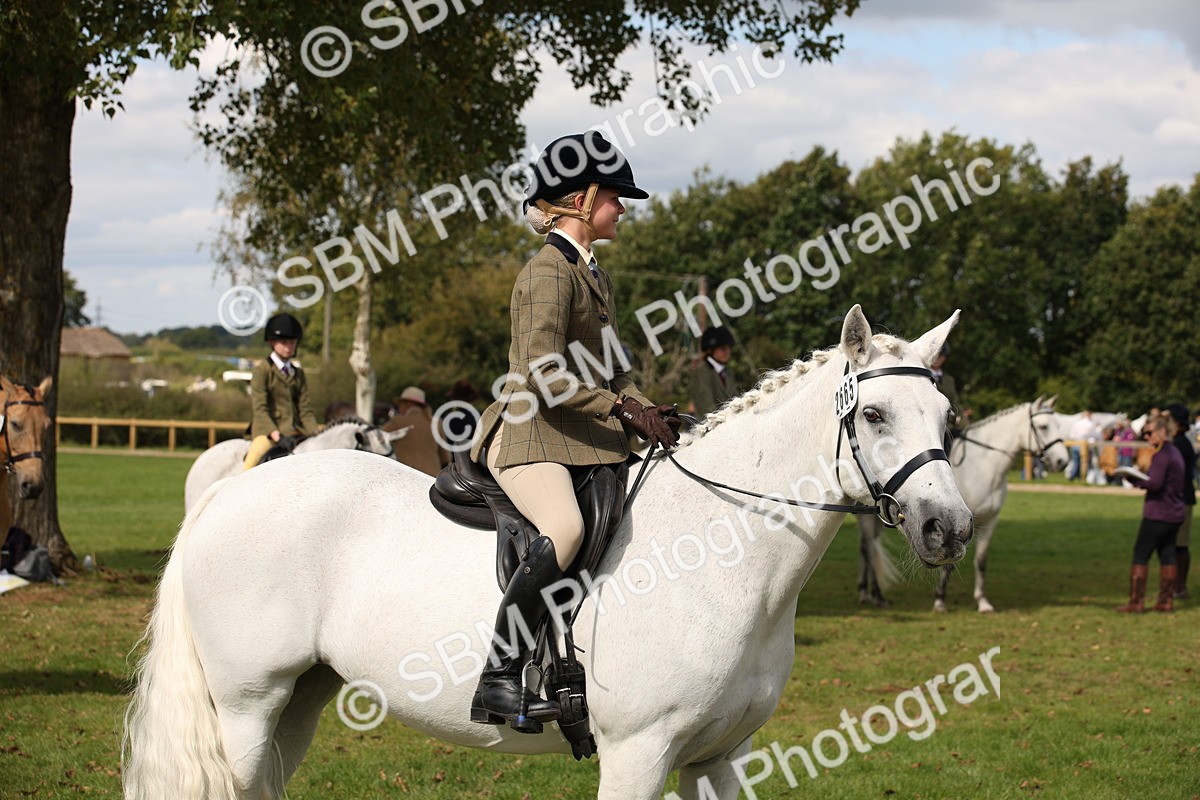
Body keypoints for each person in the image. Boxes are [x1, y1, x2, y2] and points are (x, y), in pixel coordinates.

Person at [466, 131, 678, 728]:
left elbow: (614, 369)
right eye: (615, 197)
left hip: (575, 434)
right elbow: (541, 372)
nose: (623, 208)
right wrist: (617, 409)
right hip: (529, 432)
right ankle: (499, 673)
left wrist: (646, 409)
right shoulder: (547, 272)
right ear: (583, 200)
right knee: (564, 527)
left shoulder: (594, 277)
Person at [1117, 414, 1185, 613]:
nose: (1146, 437)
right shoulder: (1175, 452)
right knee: (1168, 555)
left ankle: (1136, 601)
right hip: (1175, 513)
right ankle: (1165, 600)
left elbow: (1154, 483)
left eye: (1149, 433)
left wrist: (1132, 479)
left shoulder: (1162, 454)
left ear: (1162, 432)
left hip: (1158, 513)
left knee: (1140, 555)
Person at [243, 313, 319, 471]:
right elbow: (260, 409)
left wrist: (316, 433)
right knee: (252, 459)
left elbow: (305, 409)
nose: (289, 346)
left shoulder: (298, 373)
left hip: (296, 432)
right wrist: (276, 434)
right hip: (268, 433)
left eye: (292, 342)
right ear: (272, 342)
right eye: (284, 342)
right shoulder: (262, 370)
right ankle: (237, 488)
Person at [382, 386, 448, 478]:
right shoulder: (437, 423)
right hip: (433, 479)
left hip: (408, 478)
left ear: (408, 403)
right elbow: (445, 458)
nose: (399, 407)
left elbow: (376, 438)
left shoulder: (398, 422)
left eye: (401, 404)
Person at [1166, 403, 1196, 599]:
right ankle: (1176, 586)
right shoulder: (1179, 442)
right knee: (1176, 544)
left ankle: (1180, 586)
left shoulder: (1179, 444)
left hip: (1181, 499)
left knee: (1179, 545)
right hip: (1181, 497)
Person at [689, 326, 740, 417]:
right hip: (710, 425)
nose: (727, 352)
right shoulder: (702, 371)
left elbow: (735, 399)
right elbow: (707, 406)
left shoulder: (728, 373)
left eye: (728, 348)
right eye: (723, 349)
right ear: (710, 350)